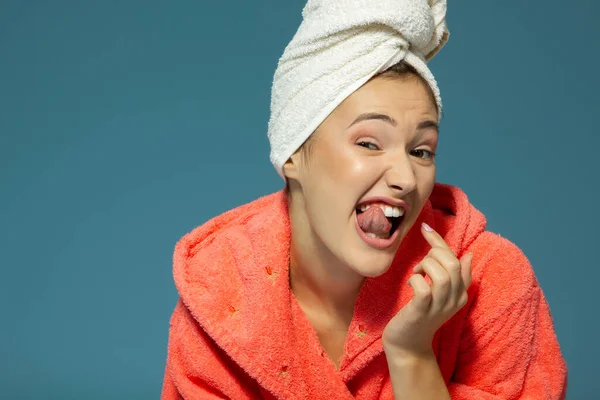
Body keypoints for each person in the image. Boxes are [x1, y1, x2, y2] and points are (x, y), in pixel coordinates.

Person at [161, 1, 567, 398]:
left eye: (421, 151)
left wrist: (412, 358)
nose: (406, 178)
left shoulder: (493, 281)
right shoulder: (219, 299)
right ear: (291, 154)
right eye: (370, 143)